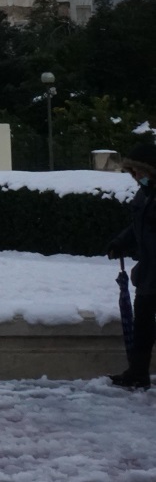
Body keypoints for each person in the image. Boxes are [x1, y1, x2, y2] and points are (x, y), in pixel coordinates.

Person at [107, 141, 156, 388]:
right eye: (132, 172)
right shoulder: (144, 195)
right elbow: (138, 227)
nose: (136, 177)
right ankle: (137, 373)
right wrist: (120, 242)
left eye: (139, 171)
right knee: (143, 327)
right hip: (149, 273)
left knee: (145, 324)